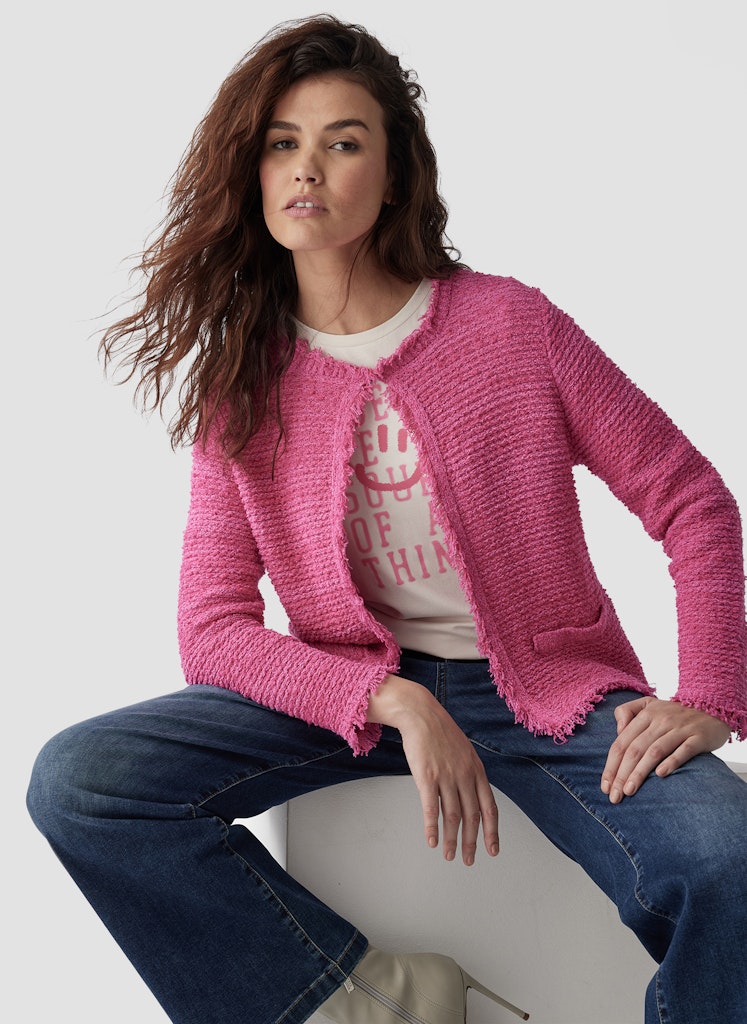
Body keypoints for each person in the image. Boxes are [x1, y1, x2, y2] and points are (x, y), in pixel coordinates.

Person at [27, 13, 747, 1024]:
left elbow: (691, 498)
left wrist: (712, 689)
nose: (306, 167)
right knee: (82, 781)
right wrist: (393, 699)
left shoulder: (510, 325)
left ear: (395, 176)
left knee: (726, 858)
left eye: (343, 141)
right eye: (283, 142)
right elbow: (213, 629)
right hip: (350, 690)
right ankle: (364, 996)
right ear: (253, 171)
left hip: (542, 689)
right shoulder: (245, 383)